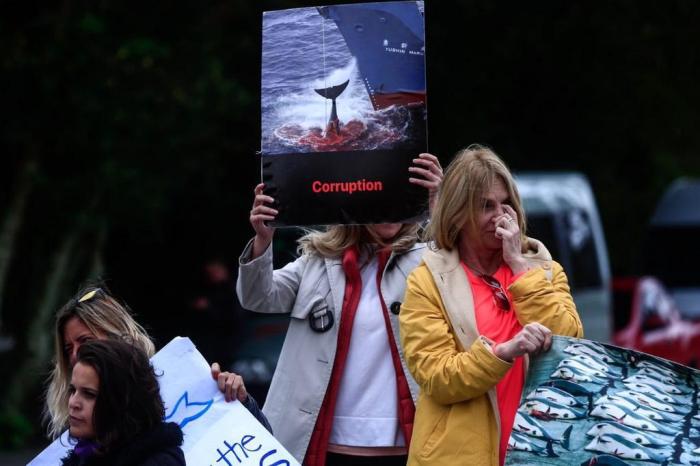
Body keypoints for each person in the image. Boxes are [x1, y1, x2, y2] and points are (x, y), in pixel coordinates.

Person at [237, 153, 442, 466]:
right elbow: (257, 297)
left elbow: (461, 271)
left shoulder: (429, 259)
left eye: (400, 196)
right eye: (380, 195)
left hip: (409, 445)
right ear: (354, 197)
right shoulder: (317, 264)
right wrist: (263, 240)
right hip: (325, 443)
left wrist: (438, 204)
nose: (390, 207)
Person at [398, 145, 583, 466]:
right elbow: (437, 378)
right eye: (486, 206)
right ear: (458, 214)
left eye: (506, 204)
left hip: (540, 453)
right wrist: (503, 353)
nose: (500, 216)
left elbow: (571, 351)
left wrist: (519, 267)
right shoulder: (427, 280)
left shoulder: (544, 271)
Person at [44, 285, 271, 440]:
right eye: (67, 349)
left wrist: (240, 401)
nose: (75, 355)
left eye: (85, 341)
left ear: (118, 334)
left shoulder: (180, 384)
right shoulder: (76, 419)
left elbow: (261, 446)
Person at [60, 339, 184, 465]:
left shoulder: (160, 461)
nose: (73, 403)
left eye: (89, 394)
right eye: (72, 390)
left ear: (122, 402)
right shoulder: (85, 455)